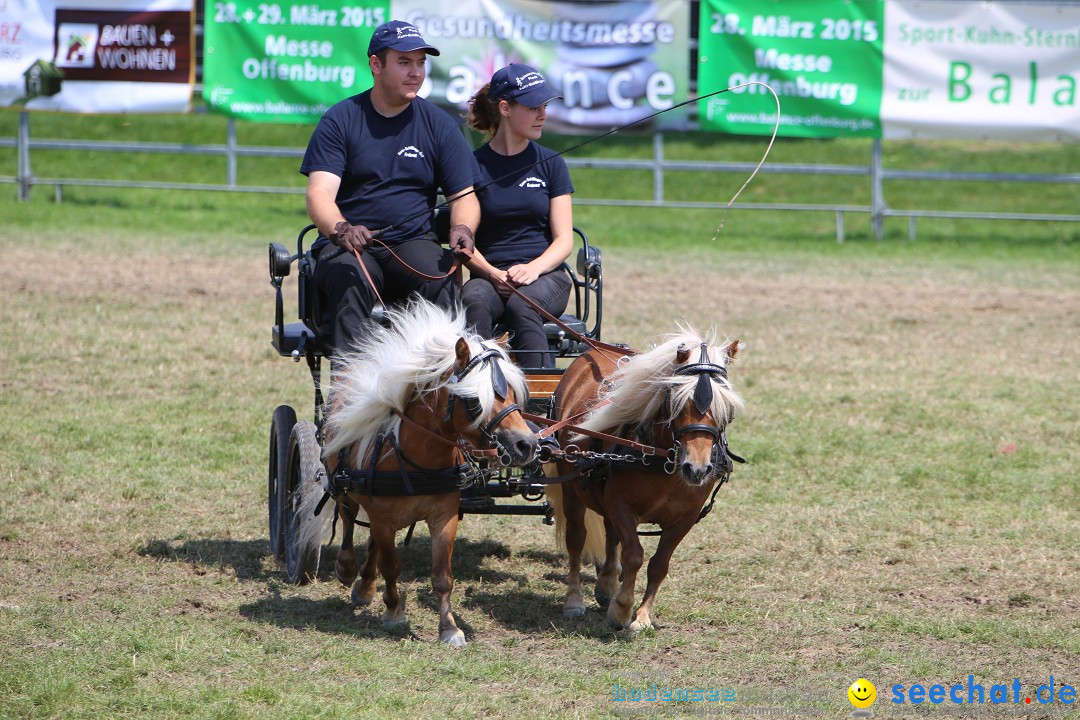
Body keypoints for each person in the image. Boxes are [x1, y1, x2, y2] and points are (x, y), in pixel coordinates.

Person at [300, 20, 480, 361]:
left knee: (441, 276)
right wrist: (341, 229)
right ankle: (349, 394)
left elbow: (464, 196)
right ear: (375, 64)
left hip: (411, 242)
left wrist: (461, 229)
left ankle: (441, 391)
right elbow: (319, 194)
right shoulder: (340, 120)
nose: (416, 72)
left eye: (420, 62)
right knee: (350, 276)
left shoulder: (439, 124)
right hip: (350, 244)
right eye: (404, 62)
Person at [463, 64, 575, 368]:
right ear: (505, 108)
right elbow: (462, 240)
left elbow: (565, 239)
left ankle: (539, 403)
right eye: (533, 106)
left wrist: (533, 269)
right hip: (488, 275)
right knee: (472, 299)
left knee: (522, 304)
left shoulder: (551, 164)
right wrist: (491, 272)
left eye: (545, 106)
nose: (543, 114)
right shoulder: (471, 167)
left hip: (546, 276)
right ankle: (478, 395)